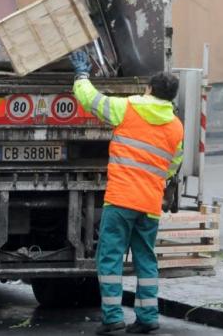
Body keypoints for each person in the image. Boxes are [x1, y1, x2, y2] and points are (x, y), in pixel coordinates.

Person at [69, 51, 184, 335]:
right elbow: (173, 165)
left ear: (148, 89)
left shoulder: (127, 109)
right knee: (146, 259)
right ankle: (147, 317)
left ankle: (112, 317)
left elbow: (91, 101)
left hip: (121, 199)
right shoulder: (175, 126)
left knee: (109, 258)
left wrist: (82, 75)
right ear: (171, 97)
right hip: (149, 203)